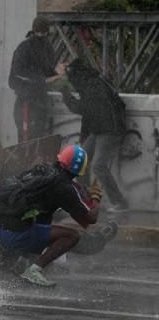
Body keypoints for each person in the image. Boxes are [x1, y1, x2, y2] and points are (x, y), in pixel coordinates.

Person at [0, 144, 100, 287]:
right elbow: (91, 218)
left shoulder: (42, 170)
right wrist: (96, 196)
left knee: (44, 219)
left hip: (0, 227)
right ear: (78, 172)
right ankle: (34, 270)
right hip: (16, 235)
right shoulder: (64, 187)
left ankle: (21, 262)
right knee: (72, 236)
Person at [61, 59, 129, 212]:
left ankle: (120, 203)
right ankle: (84, 199)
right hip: (99, 129)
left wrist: (65, 94)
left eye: (70, 79)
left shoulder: (91, 86)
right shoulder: (92, 81)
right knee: (79, 163)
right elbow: (91, 112)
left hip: (109, 130)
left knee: (98, 165)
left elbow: (81, 108)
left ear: (76, 75)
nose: (71, 83)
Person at [9, 17, 67, 142]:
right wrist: (43, 80)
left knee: (36, 138)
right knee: (28, 138)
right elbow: (18, 72)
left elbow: (45, 70)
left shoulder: (42, 47)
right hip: (27, 100)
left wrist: (55, 71)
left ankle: (32, 160)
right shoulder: (27, 47)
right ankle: (28, 160)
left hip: (38, 99)